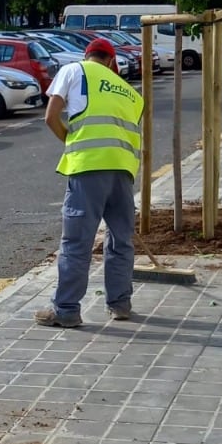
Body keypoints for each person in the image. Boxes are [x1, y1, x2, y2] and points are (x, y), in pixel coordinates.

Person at [36, 36, 144, 329]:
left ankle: (66, 309)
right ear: (112, 63)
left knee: (77, 242)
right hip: (123, 173)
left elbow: (51, 116)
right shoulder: (130, 92)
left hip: (88, 170)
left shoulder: (74, 71)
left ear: (88, 55)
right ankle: (120, 304)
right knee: (121, 241)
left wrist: (70, 140)